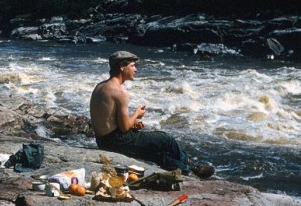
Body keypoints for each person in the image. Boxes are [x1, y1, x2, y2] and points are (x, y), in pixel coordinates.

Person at [90, 51, 215, 179]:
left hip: (103, 141)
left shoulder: (100, 86)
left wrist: (132, 124)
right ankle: (188, 162)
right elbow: (124, 128)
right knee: (166, 139)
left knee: (156, 154)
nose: (136, 69)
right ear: (122, 67)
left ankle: (189, 171)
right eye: (133, 66)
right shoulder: (119, 91)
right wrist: (137, 114)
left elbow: (109, 120)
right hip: (117, 141)